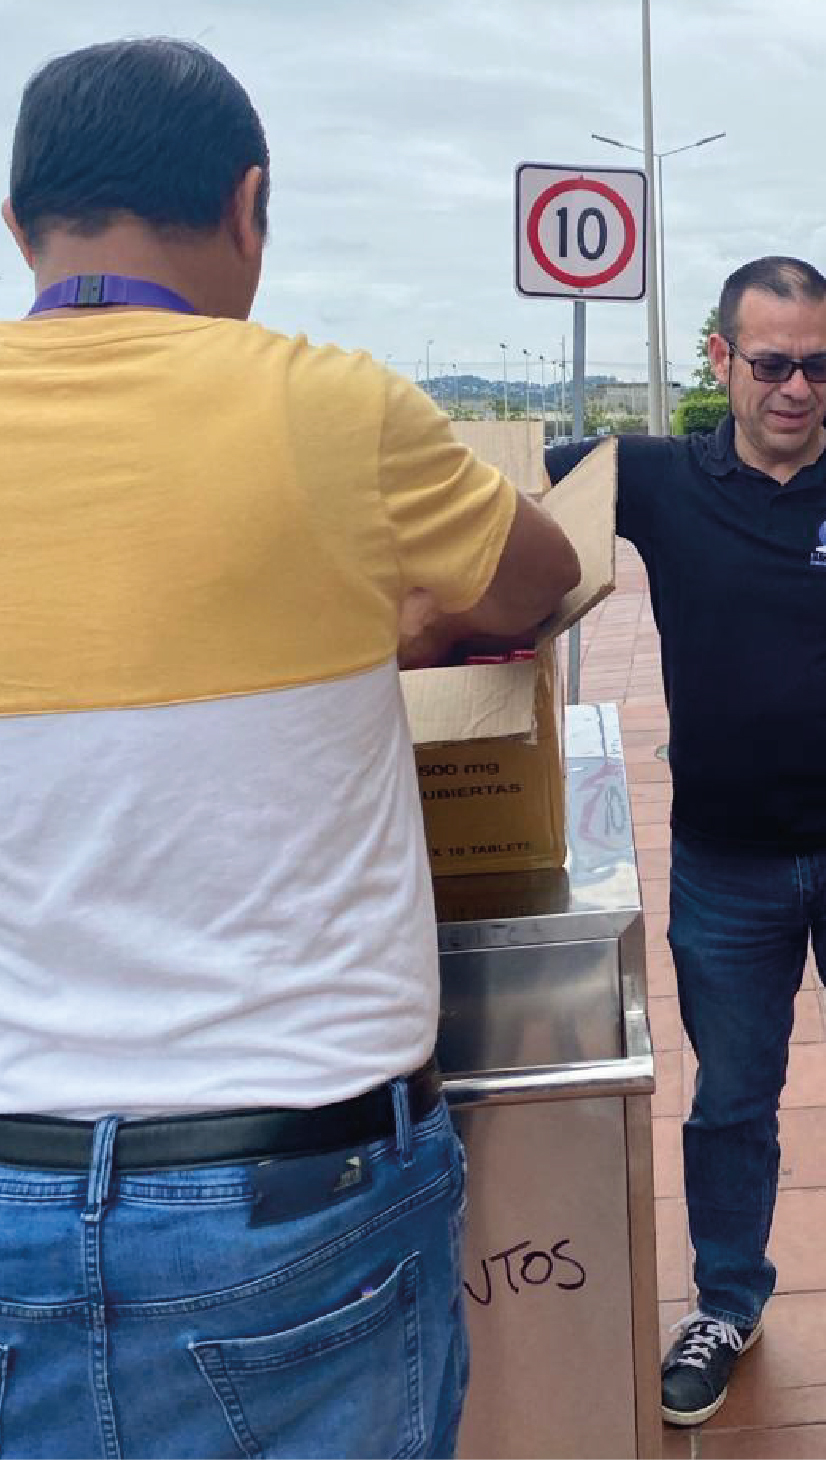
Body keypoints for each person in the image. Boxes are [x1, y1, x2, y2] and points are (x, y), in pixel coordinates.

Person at [0, 38, 579, 1459]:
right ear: (250, 207)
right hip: (290, 1189)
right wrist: (399, 615)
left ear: (18, 225)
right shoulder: (329, 405)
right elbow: (541, 577)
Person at [548, 256, 826, 1460]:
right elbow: (497, 489)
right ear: (720, 360)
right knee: (729, 1102)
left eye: (818, 363)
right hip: (725, 862)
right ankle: (724, 1305)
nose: (798, 387)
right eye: (772, 362)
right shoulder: (657, 477)